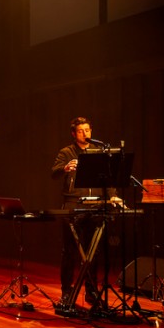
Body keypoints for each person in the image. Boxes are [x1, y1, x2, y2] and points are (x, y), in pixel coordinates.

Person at [51, 117, 120, 307]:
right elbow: (54, 172)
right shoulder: (66, 152)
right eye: (81, 131)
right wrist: (65, 168)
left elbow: (108, 178)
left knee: (93, 252)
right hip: (73, 204)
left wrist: (113, 196)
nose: (85, 134)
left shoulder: (98, 151)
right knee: (69, 251)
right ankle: (66, 292)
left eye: (87, 130)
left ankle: (91, 292)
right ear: (74, 134)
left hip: (95, 204)